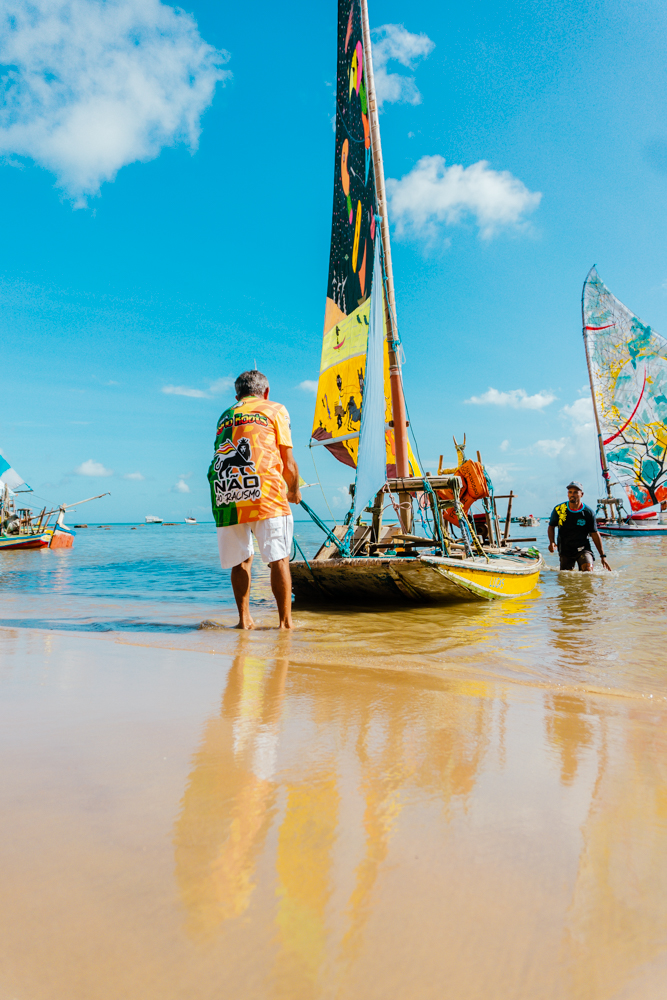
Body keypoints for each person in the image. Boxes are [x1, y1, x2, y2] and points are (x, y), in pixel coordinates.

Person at [208, 370, 302, 629]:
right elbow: (288, 462)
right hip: (265, 491)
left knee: (241, 560)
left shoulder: (225, 415)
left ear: (237, 395)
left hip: (226, 491)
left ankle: (244, 621)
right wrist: (293, 491)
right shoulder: (275, 409)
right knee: (278, 557)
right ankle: (285, 624)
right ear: (266, 392)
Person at [548, 481, 610, 572]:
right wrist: (552, 542)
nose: (572, 494)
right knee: (566, 577)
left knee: (588, 570)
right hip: (565, 548)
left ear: (582, 494)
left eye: (576, 492)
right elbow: (551, 526)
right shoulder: (559, 509)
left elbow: (595, 534)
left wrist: (603, 556)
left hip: (583, 548)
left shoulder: (588, 513)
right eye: (570, 492)